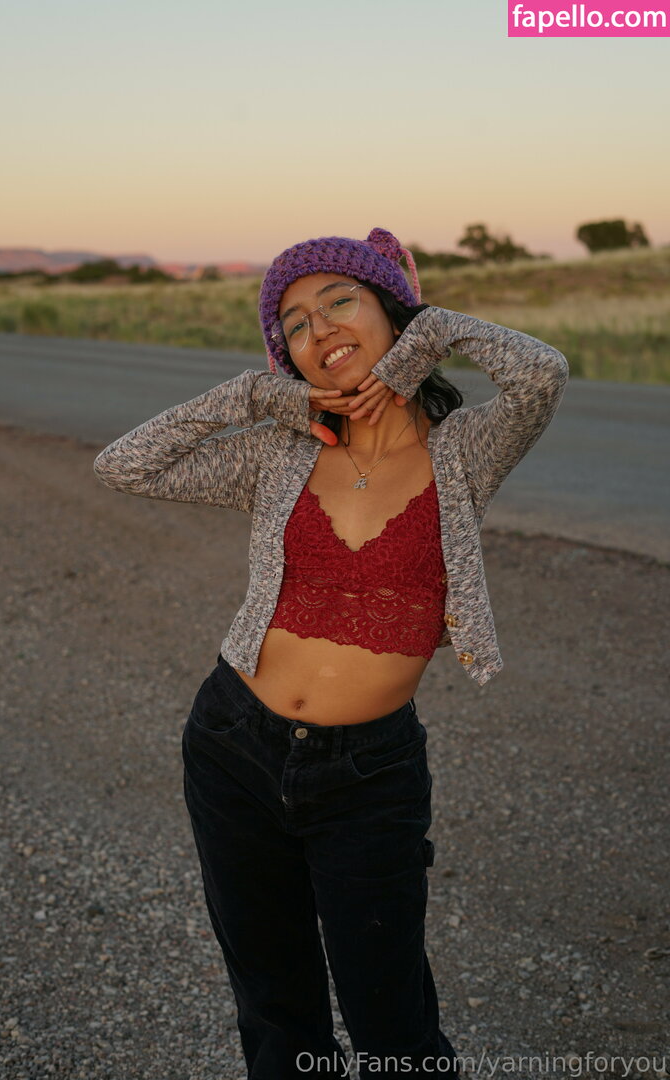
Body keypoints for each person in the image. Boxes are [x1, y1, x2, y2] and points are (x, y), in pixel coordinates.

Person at [93, 226, 569, 1079]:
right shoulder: (280, 454)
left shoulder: (465, 450)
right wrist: (256, 394)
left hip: (369, 776)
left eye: (340, 300)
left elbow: (544, 374)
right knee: (277, 1015)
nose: (320, 328)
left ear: (392, 312)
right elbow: (123, 466)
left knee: (393, 1025)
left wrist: (430, 330)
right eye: (295, 325)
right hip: (234, 746)